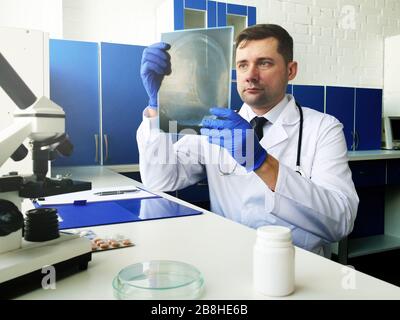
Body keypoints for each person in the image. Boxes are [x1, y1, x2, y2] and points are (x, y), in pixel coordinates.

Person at [137, 24, 359, 257]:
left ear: (291, 70)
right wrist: (155, 105)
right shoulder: (216, 125)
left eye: (264, 63)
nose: (251, 75)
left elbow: (341, 221)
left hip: (297, 267)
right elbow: (159, 180)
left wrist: (262, 163)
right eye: (243, 65)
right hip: (228, 261)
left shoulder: (323, 128)